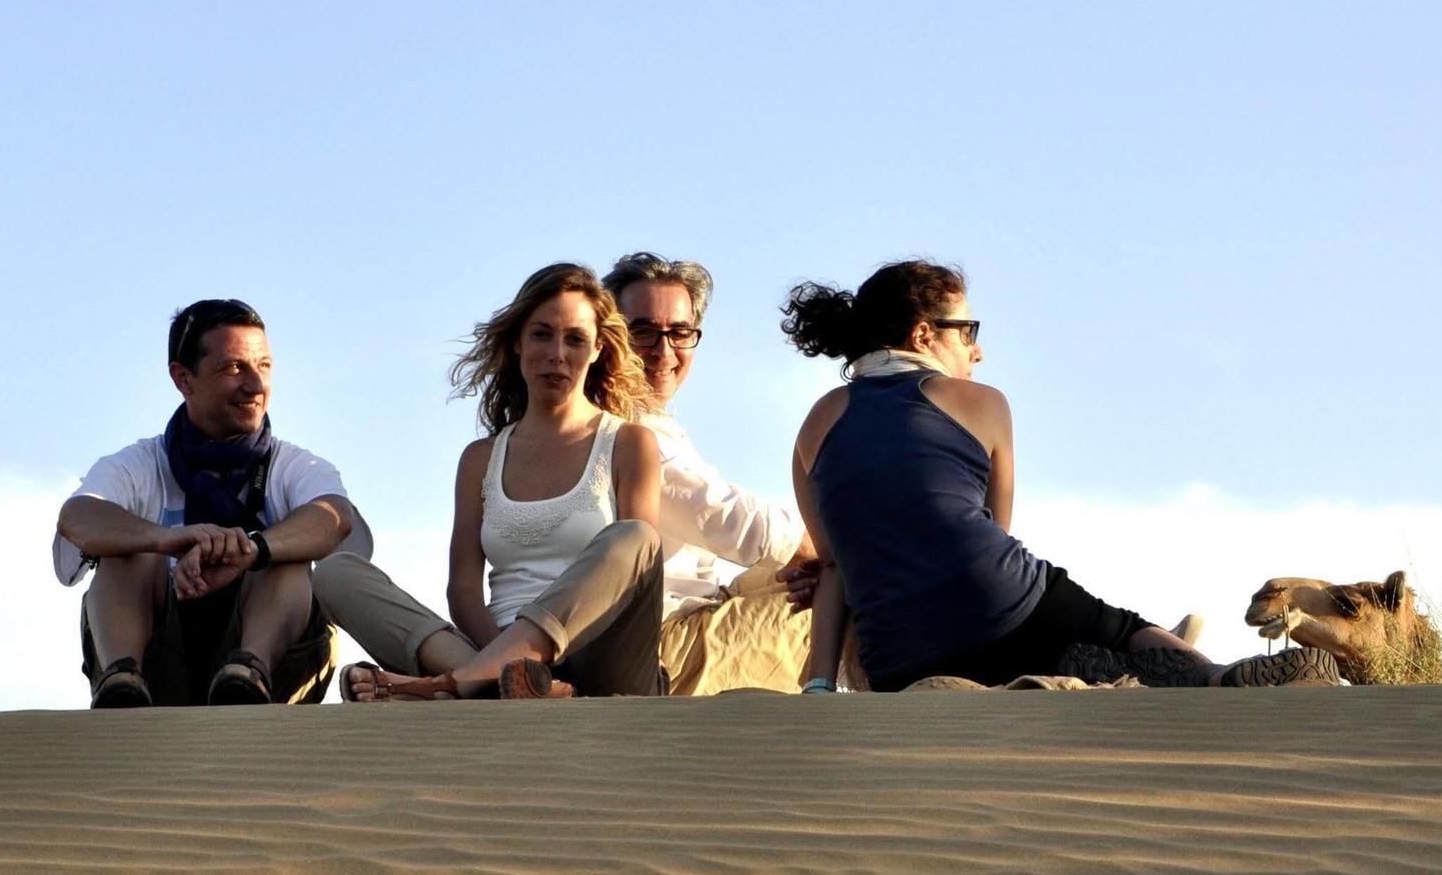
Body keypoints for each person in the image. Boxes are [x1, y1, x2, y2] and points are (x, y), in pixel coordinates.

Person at [782, 260, 1341, 692]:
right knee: (1116, 624)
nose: (976, 350)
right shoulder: (982, 402)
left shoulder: (814, 425)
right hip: (998, 604)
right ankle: (1209, 676)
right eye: (966, 329)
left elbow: (832, 569)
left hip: (896, 659)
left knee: (1009, 636)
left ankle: (1093, 669)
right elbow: (994, 532)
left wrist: (819, 685)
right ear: (924, 335)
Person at [313, 263, 665, 700]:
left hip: (604, 663)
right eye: (541, 334)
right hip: (493, 653)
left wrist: (511, 657)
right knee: (335, 573)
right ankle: (507, 685)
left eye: (574, 338)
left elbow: (636, 579)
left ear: (596, 350)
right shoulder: (480, 459)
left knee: (636, 537)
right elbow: (463, 588)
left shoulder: (630, 443)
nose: (557, 353)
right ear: (517, 341)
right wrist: (503, 657)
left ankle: (459, 684)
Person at [53, 298, 368, 709]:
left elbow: (335, 518)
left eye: (265, 366)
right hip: (161, 664)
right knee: (125, 547)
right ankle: (123, 680)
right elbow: (77, 517)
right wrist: (167, 539)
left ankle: (248, 674)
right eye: (234, 368)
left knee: (286, 554)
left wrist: (252, 549)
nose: (256, 385)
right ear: (183, 379)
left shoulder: (295, 466)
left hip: (275, 675)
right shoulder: (139, 464)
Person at [602, 253, 817, 696]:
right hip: (661, 647)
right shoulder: (623, 430)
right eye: (642, 332)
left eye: (680, 333)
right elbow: (734, 520)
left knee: (810, 576)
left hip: (693, 613)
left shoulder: (653, 422)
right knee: (838, 590)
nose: (664, 351)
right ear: (609, 338)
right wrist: (833, 551)